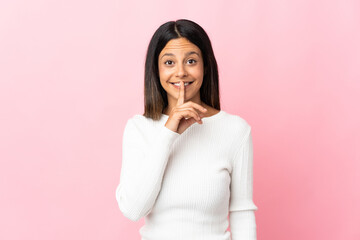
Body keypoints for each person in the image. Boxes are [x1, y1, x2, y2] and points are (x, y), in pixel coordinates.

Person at [115, 19, 258, 240]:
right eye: (169, 63)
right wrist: (169, 132)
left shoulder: (235, 130)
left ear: (206, 66)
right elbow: (133, 210)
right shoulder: (139, 128)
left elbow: (242, 212)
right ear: (156, 69)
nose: (180, 72)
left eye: (191, 61)